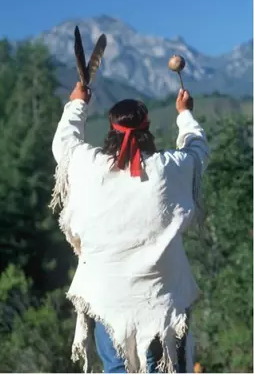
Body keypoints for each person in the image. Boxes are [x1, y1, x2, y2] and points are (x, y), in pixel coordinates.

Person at [50, 82, 209, 373]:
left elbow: (65, 143)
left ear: (111, 130)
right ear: (147, 130)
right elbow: (197, 150)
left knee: (117, 369)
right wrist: (185, 115)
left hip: (107, 299)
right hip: (162, 301)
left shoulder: (90, 167)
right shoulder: (168, 168)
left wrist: (77, 104)